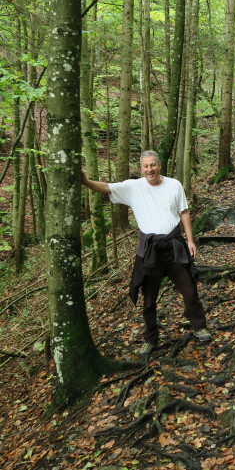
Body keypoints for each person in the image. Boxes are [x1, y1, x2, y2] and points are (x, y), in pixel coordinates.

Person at [81, 150, 211, 355]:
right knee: (148, 297)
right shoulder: (133, 187)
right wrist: (85, 181)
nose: (150, 169)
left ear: (159, 165)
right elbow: (106, 188)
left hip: (174, 244)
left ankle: (199, 327)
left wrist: (191, 241)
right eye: (146, 166)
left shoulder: (174, 185)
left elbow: (184, 212)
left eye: (153, 165)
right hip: (150, 249)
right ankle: (150, 338)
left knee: (189, 289)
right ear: (141, 168)